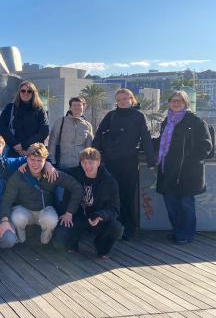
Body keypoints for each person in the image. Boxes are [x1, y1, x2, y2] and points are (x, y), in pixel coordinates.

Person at [92, 88, 156, 240]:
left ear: (132, 99)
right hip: (110, 162)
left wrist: (151, 160)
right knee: (112, 195)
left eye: (125, 98)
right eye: (119, 99)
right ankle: (113, 226)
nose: (123, 101)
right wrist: (94, 156)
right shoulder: (111, 115)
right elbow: (99, 136)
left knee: (127, 196)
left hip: (128, 162)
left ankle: (129, 228)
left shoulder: (138, 116)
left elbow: (146, 138)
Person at [155, 91, 213, 244]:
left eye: (180, 101)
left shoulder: (196, 122)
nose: (176, 103)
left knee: (186, 205)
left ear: (186, 103)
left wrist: (190, 160)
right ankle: (177, 231)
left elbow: (206, 146)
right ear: (169, 103)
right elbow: (161, 143)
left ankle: (185, 235)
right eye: (173, 100)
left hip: (188, 172)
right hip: (168, 171)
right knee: (171, 205)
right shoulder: (166, 122)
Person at [0, 143, 83, 245]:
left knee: (51, 219)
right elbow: (7, 199)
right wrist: (4, 220)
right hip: (24, 209)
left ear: (45, 160)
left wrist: (69, 212)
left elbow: (76, 188)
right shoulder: (18, 175)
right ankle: (21, 237)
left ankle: (46, 238)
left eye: (39, 160)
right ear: (27, 159)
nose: (35, 164)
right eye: (32, 160)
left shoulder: (52, 173)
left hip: (45, 209)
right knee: (17, 217)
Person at [53, 148, 123, 258]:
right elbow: (57, 174)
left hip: (97, 217)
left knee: (116, 228)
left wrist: (101, 216)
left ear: (98, 163)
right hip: (78, 215)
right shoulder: (75, 174)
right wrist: (67, 212)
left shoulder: (109, 181)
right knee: (59, 239)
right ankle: (72, 244)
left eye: (91, 162)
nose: (87, 166)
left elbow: (114, 208)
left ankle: (101, 248)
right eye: (84, 162)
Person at [0, 81, 49, 158]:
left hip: (34, 153)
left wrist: (24, 145)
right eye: (23, 91)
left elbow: (44, 132)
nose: (26, 93)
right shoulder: (10, 108)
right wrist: (16, 145)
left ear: (33, 93)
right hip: (13, 151)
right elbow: (2, 127)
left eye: (29, 91)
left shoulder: (40, 110)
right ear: (19, 92)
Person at [48, 96, 94, 170]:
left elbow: (89, 147)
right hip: (62, 164)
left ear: (84, 107)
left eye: (79, 105)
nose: (77, 107)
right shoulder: (60, 121)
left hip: (80, 166)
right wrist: (51, 161)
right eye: (74, 105)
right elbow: (52, 141)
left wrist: (87, 164)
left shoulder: (88, 125)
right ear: (70, 107)